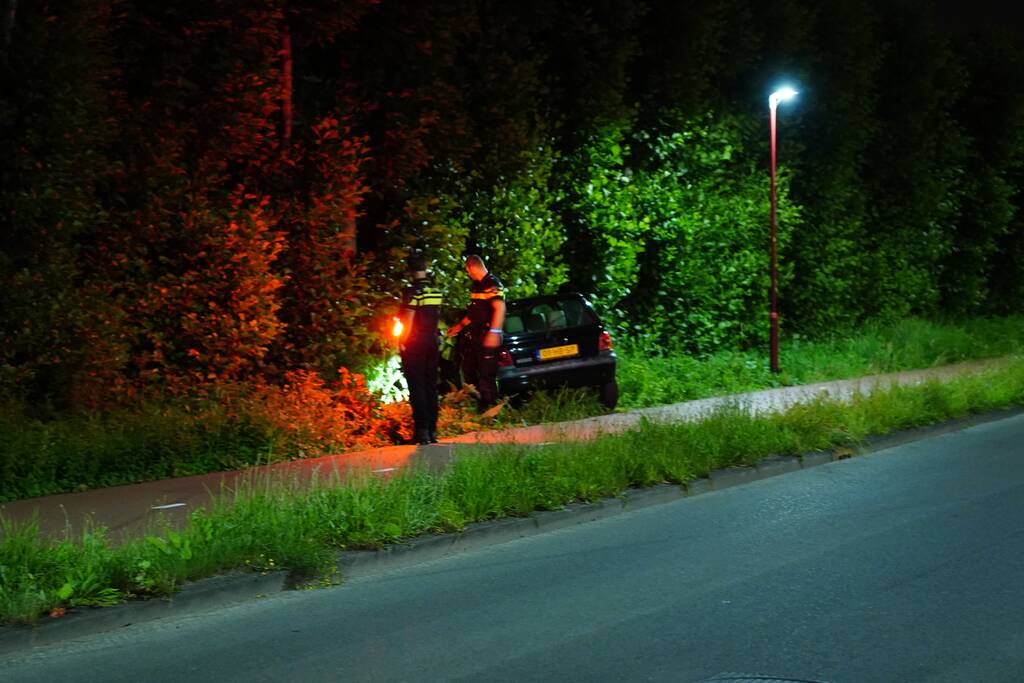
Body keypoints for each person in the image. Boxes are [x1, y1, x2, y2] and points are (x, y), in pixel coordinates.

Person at [447, 254, 506, 411]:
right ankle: (479, 404)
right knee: (469, 370)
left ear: (471, 267)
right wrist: (459, 326)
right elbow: (474, 313)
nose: (468, 274)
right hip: (476, 337)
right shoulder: (477, 286)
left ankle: (490, 409)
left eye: (467, 271)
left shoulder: (492, 284)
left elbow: (500, 309)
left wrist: (494, 332)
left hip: (488, 336)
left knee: (487, 375)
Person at [397, 255, 443, 445]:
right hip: (433, 341)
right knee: (431, 385)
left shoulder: (412, 291)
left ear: (410, 271)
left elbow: (408, 318)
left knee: (417, 386)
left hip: (415, 343)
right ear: (426, 268)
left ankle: (421, 431)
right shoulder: (435, 290)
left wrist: (402, 340)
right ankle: (433, 430)